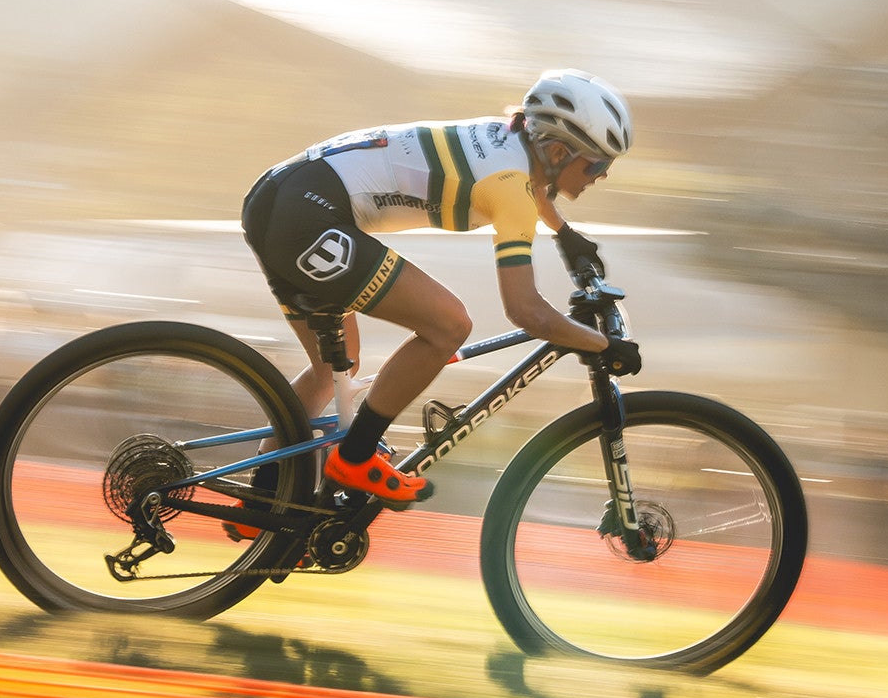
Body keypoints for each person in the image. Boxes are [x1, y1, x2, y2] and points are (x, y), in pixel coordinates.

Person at [238, 68, 644, 507]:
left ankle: (262, 500)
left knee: (333, 367)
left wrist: (565, 235)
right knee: (448, 324)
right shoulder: (509, 189)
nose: (601, 176)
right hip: (305, 215)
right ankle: (354, 458)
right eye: (598, 164)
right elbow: (527, 312)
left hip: (278, 195)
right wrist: (601, 345)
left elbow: (531, 185)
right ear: (559, 151)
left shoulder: (507, 138)